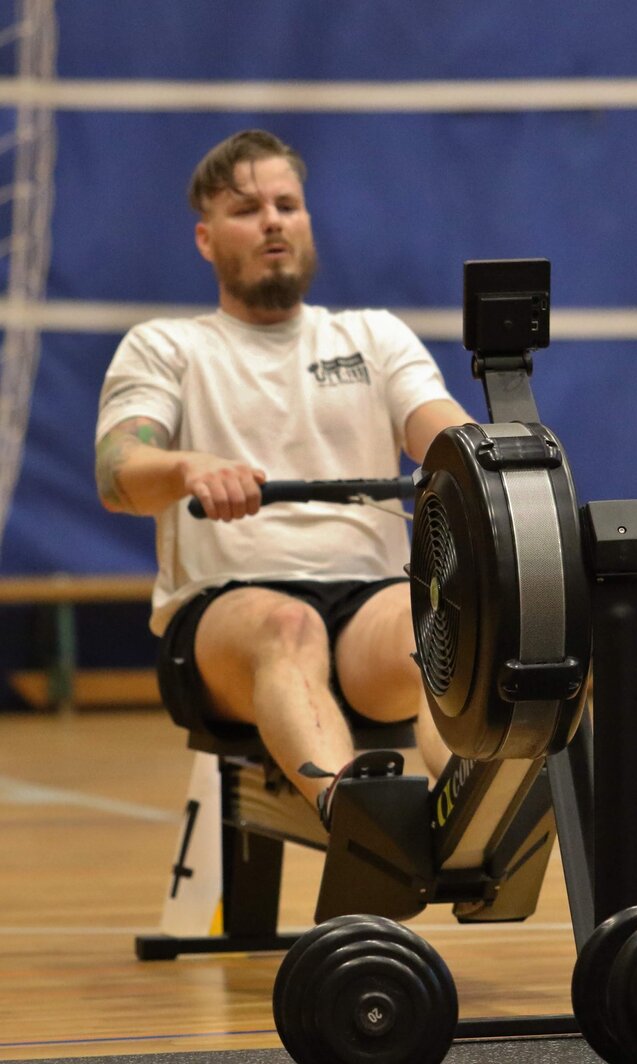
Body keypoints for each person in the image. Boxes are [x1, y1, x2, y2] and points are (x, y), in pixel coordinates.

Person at [94, 129, 470, 826]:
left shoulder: (375, 337)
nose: (272, 221)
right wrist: (187, 466)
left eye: (287, 205)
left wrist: (487, 457)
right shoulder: (166, 347)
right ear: (205, 239)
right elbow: (120, 474)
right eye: (246, 209)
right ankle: (359, 824)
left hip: (367, 609)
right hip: (226, 615)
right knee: (288, 626)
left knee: (437, 629)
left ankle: (473, 820)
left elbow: (450, 440)